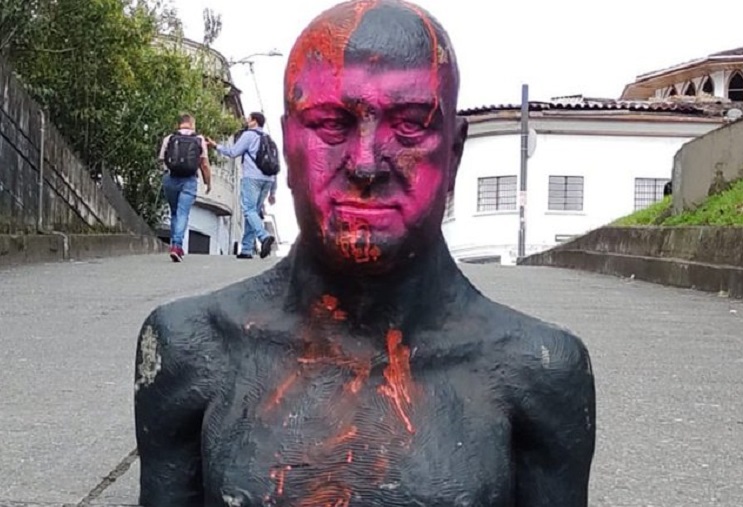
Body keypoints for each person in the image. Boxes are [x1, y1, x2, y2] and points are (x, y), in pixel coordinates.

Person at [134, 1, 596, 506]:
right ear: (288, 147)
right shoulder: (190, 347)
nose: (366, 163)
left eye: (412, 124)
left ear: (454, 152)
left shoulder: (540, 373)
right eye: (332, 124)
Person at [208, 112, 278, 259]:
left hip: (252, 178)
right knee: (253, 213)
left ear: (254, 122)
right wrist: (273, 191)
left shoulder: (249, 135)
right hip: (268, 180)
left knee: (249, 210)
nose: (246, 120)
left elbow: (233, 152)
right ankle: (246, 249)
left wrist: (216, 146)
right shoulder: (269, 140)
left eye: (248, 118)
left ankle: (264, 236)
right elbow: (274, 165)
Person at [157, 113, 211, 262]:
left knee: (174, 212)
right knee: (183, 213)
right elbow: (204, 164)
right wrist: (208, 182)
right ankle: (177, 246)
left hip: (171, 178)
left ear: (179, 124)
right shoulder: (199, 140)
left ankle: (175, 245)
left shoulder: (169, 138)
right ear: (192, 124)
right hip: (189, 180)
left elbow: (162, 160)